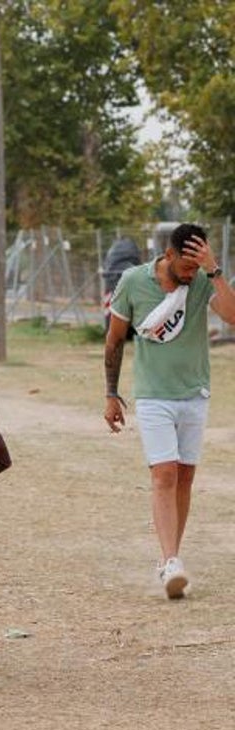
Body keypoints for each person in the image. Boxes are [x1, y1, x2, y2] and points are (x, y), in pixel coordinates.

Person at [105, 223, 235, 599]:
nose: (190, 274)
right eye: (186, 266)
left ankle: (168, 561)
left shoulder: (203, 279)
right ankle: (172, 559)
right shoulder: (133, 281)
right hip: (153, 396)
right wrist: (111, 393)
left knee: (185, 476)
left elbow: (232, 316)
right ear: (169, 254)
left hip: (195, 393)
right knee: (164, 474)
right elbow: (115, 339)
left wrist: (213, 270)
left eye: (196, 267)